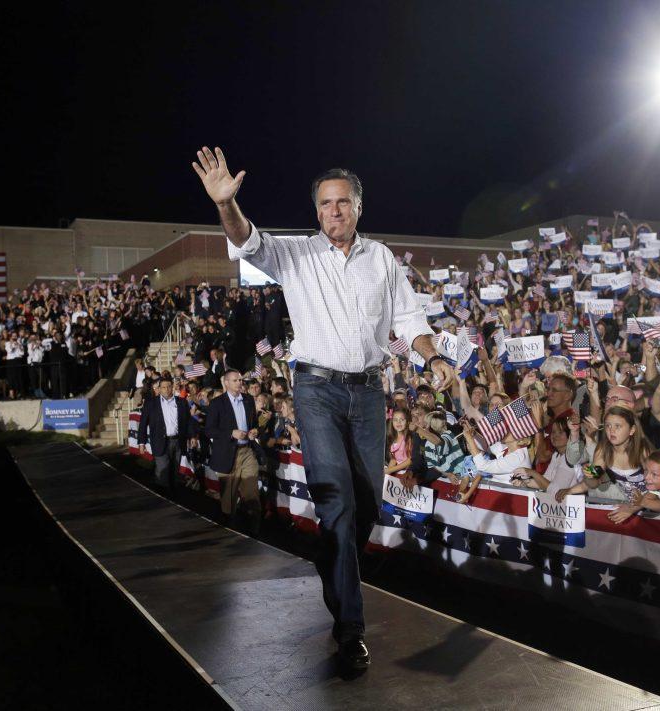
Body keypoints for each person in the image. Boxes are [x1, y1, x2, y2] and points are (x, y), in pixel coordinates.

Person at [194, 146, 455, 671]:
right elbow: (246, 240)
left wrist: (431, 359)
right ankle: (351, 630)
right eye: (324, 204)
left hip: (370, 391)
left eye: (342, 203)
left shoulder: (381, 259)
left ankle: (331, 557)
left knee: (367, 509)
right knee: (336, 502)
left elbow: (410, 321)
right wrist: (226, 204)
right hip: (315, 389)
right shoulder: (295, 254)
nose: (333, 211)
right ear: (315, 211)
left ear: (359, 207)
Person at [205, 369, 262, 532]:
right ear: (227, 383)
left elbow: (254, 424)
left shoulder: (249, 400)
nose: (239, 383)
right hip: (227, 455)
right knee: (228, 499)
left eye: (240, 380)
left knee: (252, 492)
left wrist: (254, 431)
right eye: (235, 380)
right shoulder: (217, 403)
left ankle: (254, 530)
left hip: (247, 452)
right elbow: (209, 430)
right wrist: (231, 433)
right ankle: (230, 528)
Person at [138, 376, 194, 494]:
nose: (167, 389)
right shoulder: (151, 403)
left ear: (172, 387)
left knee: (175, 472)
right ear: (159, 389)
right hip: (159, 441)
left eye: (169, 386)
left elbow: (188, 421)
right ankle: (161, 497)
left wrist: (192, 436)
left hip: (178, 441)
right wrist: (141, 442)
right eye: (163, 387)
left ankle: (173, 496)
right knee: (162, 471)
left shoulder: (182, 402)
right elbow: (143, 423)